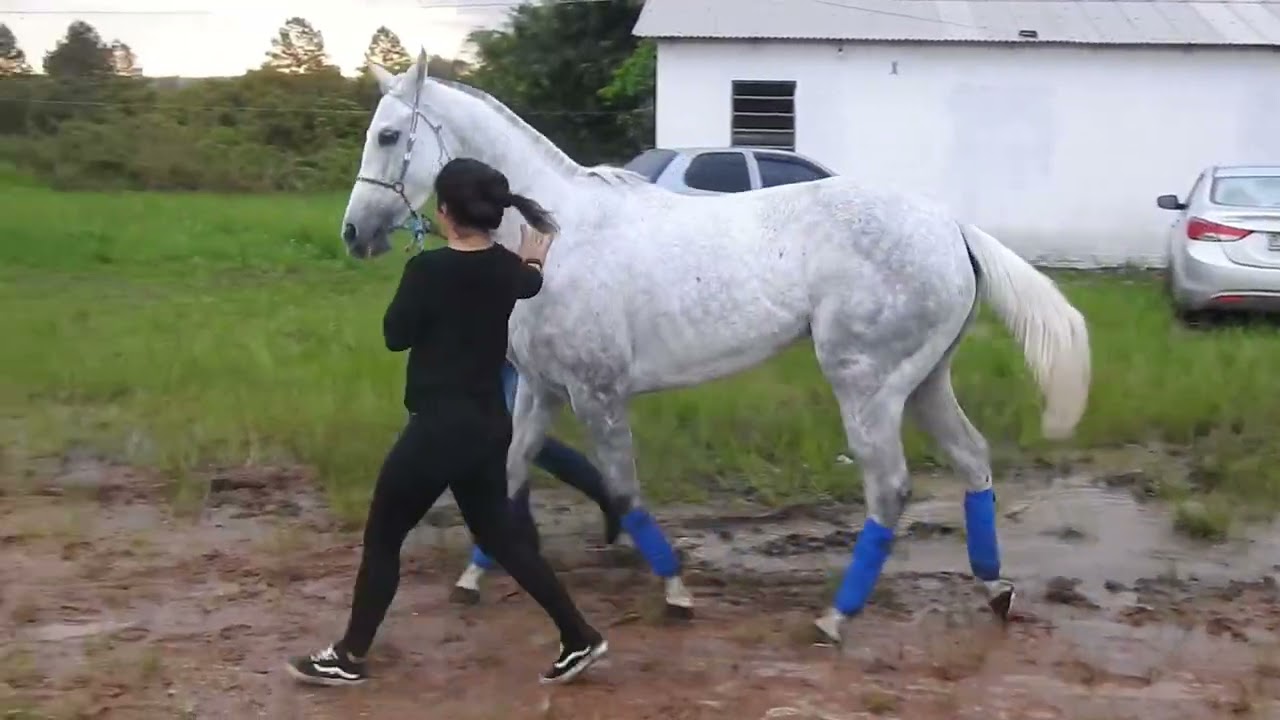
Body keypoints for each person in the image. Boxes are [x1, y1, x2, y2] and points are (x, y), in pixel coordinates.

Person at [286, 157, 608, 687]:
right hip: (488, 427)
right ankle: (579, 636)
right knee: (501, 538)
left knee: (383, 538)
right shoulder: (509, 268)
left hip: (439, 429)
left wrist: (419, 277)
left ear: (443, 213)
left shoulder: (427, 271)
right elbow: (526, 285)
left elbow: (395, 335)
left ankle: (348, 656)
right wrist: (533, 262)